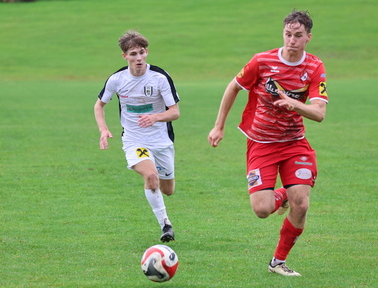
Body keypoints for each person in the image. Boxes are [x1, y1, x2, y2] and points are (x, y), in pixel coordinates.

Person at [208, 10, 328, 276]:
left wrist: (294, 104)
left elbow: (319, 113)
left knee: (302, 203)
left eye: (298, 35)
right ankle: (285, 193)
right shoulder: (262, 61)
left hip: (295, 143)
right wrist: (219, 126)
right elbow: (233, 87)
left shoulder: (314, 67)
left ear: (308, 37)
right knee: (262, 209)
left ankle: (278, 262)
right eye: (288, 34)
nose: (292, 40)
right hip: (261, 143)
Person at [94, 30, 180, 242]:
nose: (138, 58)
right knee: (150, 176)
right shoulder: (117, 79)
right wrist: (103, 129)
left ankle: (157, 189)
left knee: (168, 189)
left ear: (146, 52)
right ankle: (165, 225)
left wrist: (155, 117)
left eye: (141, 53)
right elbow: (99, 105)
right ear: (125, 56)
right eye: (133, 54)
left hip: (161, 141)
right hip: (135, 140)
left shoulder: (160, 77)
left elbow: (175, 112)